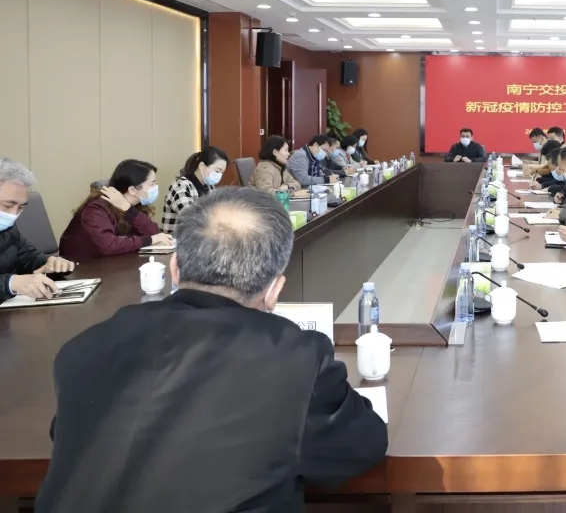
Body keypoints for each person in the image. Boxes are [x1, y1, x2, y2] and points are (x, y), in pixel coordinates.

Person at [37, 188, 388, 512]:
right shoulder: (295, 357)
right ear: (274, 291)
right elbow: (361, 446)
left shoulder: (86, 347)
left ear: (174, 268)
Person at [59, 159, 172, 262]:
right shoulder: (96, 208)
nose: (156, 187)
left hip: (114, 263)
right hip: (83, 267)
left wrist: (129, 210)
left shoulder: (136, 205)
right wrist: (150, 240)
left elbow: (153, 232)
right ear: (132, 190)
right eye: (152, 184)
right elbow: (109, 245)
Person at [0, 159, 75, 303]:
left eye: (20, 207)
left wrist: (50, 263)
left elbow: (29, 257)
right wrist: (11, 283)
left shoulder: (8, 228)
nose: (14, 214)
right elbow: (12, 282)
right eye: (8, 205)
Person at [161, 147, 229, 235]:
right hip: (177, 239)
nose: (219, 175)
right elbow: (191, 217)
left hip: (200, 237)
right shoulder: (181, 186)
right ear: (202, 166)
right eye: (217, 171)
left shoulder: (209, 187)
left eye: (222, 172)